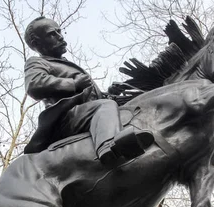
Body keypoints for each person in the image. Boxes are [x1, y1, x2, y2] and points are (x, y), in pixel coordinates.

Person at [22, 16, 153, 165]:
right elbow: (34, 84)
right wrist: (74, 83)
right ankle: (109, 147)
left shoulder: (63, 64)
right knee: (105, 106)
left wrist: (110, 93)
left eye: (59, 31)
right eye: (52, 34)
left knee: (111, 106)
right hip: (66, 119)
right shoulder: (37, 62)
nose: (60, 36)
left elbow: (91, 100)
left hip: (84, 114)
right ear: (36, 43)